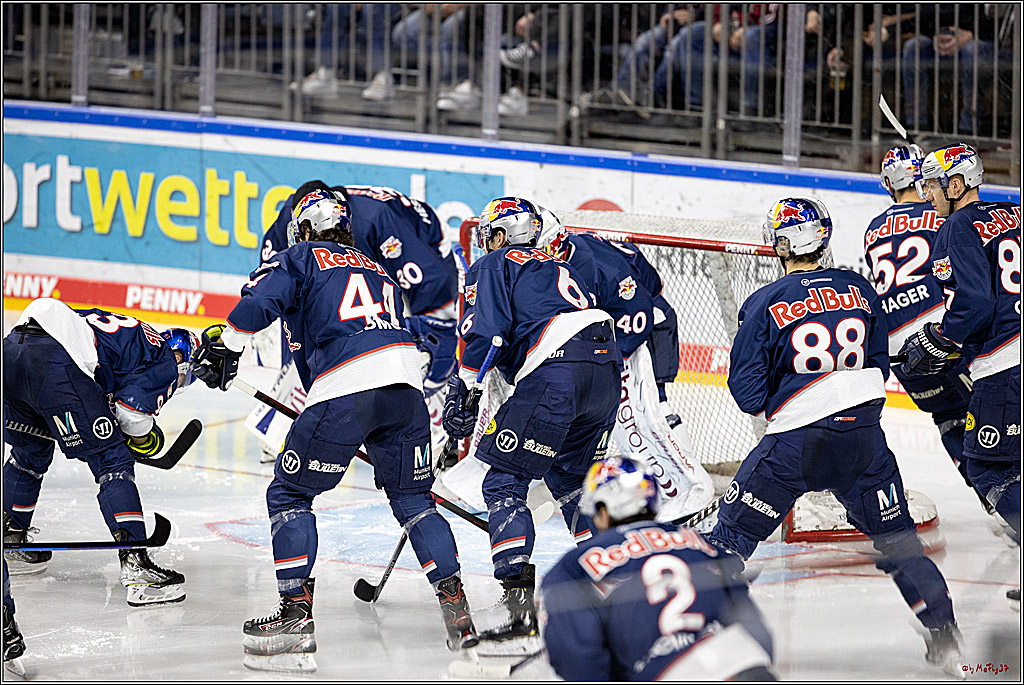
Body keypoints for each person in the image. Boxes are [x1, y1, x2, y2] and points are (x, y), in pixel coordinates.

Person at [192, 189, 477, 673]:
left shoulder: (301, 256)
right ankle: (460, 618)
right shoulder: (376, 266)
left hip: (348, 385)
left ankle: (295, 620)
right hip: (404, 388)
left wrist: (229, 347)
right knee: (413, 502)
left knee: (288, 495)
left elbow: (258, 302)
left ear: (303, 229)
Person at [705, 197, 966, 676]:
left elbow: (745, 392)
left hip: (793, 447)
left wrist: (792, 405)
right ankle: (945, 636)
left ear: (781, 241)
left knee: (731, 539)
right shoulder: (863, 291)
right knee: (900, 542)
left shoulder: (764, 303)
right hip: (864, 443)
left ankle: (701, 643)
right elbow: (880, 365)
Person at [441, 196, 621, 642]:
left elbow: (487, 333)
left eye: (491, 234)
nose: (487, 242)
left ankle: (519, 608)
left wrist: (463, 391)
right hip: (605, 371)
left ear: (502, 234)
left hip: (557, 371)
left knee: (503, 483)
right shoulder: (560, 267)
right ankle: (620, 583)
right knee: (571, 483)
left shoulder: (494, 264)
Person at [3, 298, 194, 606]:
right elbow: (131, 415)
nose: (178, 382)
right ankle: (137, 566)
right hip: (54, 362)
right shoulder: (165, 358)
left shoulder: (129, 337)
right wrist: (145, 439)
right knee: (112, 462)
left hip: (12, 350)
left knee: (29, 452)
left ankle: (9, 537)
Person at [250, 181, 460, 461]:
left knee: (419, 349)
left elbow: (435, 295)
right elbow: (274, 292)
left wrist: (433, 344)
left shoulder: (375, 219)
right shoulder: (288, 220)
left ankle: (439, 433)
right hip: (355, 268)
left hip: (420, 258)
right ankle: (289, 426)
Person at [899, 143, 1020, 604]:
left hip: (1004, 364)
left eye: (931, 183)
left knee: (990, 467)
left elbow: (974, 304)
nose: (926, 192)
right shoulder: (1012, 216)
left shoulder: (957, 226)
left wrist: (940, 339)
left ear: (955, 184)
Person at [537, 211, 713, 521]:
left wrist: (608, 361)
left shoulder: (596, 266)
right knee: (630, 418)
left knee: (648, 412)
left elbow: (638, 315)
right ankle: (668, 486)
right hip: (622, 323)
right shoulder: (565, 258)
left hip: (648, 326)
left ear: (553, 243)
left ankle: (686, 491)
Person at [541, 456, 775, 681]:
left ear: (604, 510)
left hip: (665, 673)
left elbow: (575, 655)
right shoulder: (702, 545)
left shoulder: (575, 565)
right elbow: (754, 628)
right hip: (747, 665)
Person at [864, 145, 988, 513]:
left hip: (901, 350)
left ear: (889, 183)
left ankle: (990, 494)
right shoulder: (941, 217)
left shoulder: (873, 229)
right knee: (994, 409)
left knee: (948, 417)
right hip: (942, 335)